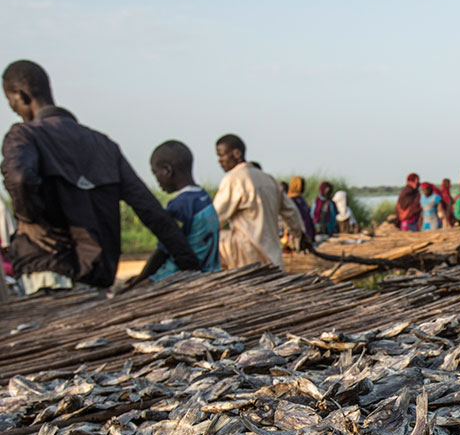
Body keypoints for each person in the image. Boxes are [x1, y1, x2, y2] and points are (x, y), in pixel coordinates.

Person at [0, 60, 200, 293]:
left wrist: (29, 219)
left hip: (46, 269)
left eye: (11, 103)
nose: (15, 110)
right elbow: (152, 212)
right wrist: (194, 269)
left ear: (21, 96)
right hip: (95, 275)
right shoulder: (104, 145)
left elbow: (19, 177)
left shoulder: (25, 135)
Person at [125, 140, 220, 288]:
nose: (156, 179)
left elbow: (163, 252)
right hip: (209, 271)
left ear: (167, 170)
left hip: (180, 277)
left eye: (155, 172)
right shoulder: (203, 197)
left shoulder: (180, 205)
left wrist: (139, 280)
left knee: (126, 292)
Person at [211, 133, 306, 269]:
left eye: (221, 155)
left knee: (209, 236)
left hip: (246, 256)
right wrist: (300, 235)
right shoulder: (269, 179)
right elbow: (291, 212)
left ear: (237, 153)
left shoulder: (234, 179)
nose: (219, 161)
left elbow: (214, 219)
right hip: (272, 256)